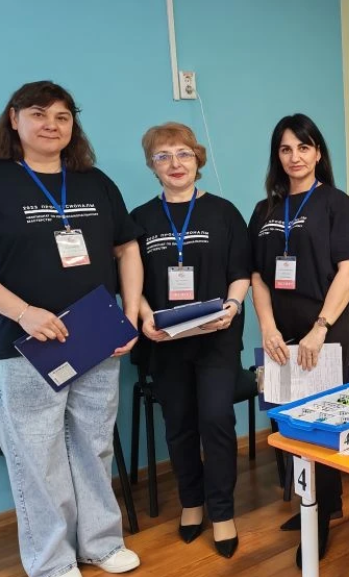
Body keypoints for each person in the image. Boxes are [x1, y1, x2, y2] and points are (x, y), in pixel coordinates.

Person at [0, 80, 143, 577]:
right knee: (36, 455)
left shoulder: (95, 182)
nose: (52, 124)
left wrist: (130, 315)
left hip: (97, 337)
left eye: (63, 116)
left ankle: (100, 543)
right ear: (14, 120)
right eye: (39, 114)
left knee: (94, 445)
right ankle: (51, 561)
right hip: (24, 344)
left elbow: (127, 248)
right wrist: (24, 311)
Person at [248, 113, 349, 566]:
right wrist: (267, 328)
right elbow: (257, 276)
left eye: (303, 147)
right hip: (280, 334)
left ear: (318, 152)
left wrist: (319, 328)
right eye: (285, 149)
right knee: (285, 420)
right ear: (277, 156)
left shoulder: (336, 204)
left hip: (325, 329)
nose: (294, 157)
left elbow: (348, 270)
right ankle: (311, 502)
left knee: (318, 423)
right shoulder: (264, 211)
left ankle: (319, 516)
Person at [130, 122, 250, 558]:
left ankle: (222, 511)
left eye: (183, 153)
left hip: (216, 337)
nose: (174, 163)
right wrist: (144, 315)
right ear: (152, 166)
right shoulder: (140, 219)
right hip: (165, 341)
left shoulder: (223, 212)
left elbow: (240, 271)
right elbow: (131, 279)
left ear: (197, 158)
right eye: (163, 156)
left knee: (216, 420)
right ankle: (192, 503)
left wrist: (232, 306)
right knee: (179, 425)